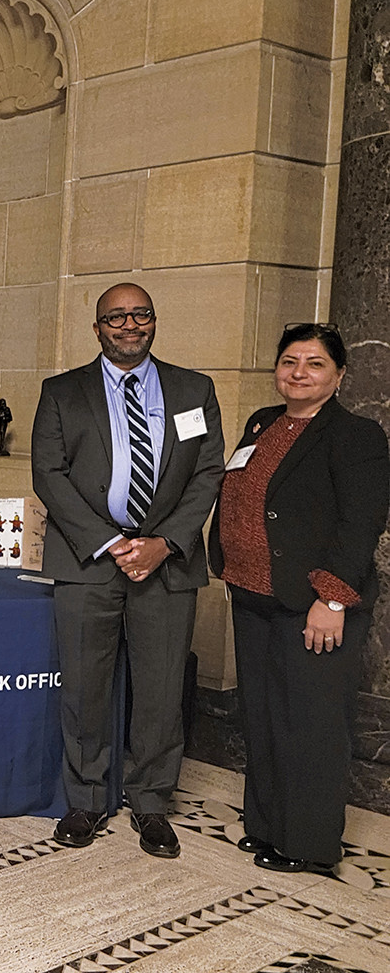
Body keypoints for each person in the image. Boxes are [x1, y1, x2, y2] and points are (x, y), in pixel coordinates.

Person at [31, 283, 224, 859]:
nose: (130, 325)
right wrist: (114, 543)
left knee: (162, 689)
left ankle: (151, 803)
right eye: (116, 317)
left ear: (154, 322)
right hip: (89, 562)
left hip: (167, 565)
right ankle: (86, 798)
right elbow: (49, 475)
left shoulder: (194, 390)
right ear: (98, 329)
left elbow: (208, 473)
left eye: (141, 314)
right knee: (85, 688)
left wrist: (164, 542)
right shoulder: (62, 391)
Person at [208, 323, 388, 873]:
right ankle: (266, 826)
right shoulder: (262, 423)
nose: (299, 373)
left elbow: (361, 525)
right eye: (290, 361)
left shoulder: (356, 436)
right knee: (261, 716)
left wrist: (331, 599)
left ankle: (308, 844)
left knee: (309, 723)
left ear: (339, 375)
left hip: (312, 602)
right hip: (254, 594)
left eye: (314, 363)